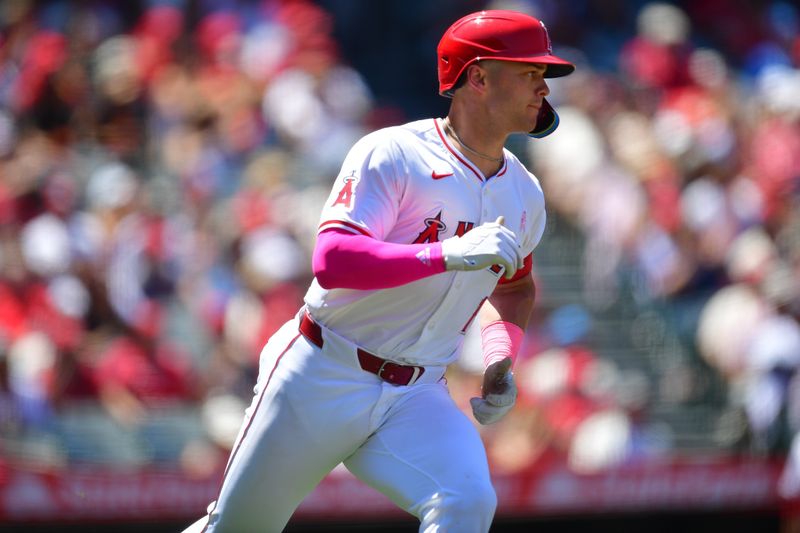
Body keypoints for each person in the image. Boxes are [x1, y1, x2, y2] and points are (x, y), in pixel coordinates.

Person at [184, 9, 574, 532]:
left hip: (418, 390)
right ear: (478, 76)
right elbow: (333, 260)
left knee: (466, 501)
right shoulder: (393, 152)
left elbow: (515, 286)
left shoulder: (524, 190)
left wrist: (500, 358)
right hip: (324, 370)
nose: (543, 87)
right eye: (530, 72)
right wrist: (447, 253)